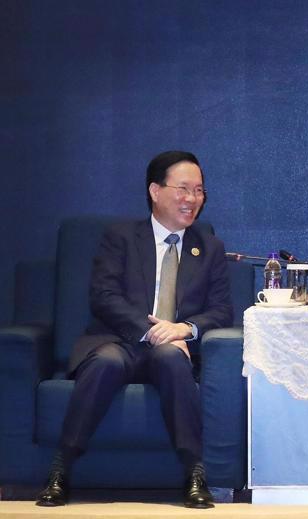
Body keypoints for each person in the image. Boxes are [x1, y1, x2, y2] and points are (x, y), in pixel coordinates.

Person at [36, 151, 233, 508]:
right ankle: (60, 470)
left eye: (200, 191)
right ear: (155, 191)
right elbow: (103, 296)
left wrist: (183, 329)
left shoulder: (210, 247)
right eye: (183, 189)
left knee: (173, 361)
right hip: (120, 339)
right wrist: (149, 329)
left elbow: (221, 311)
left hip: (173, 347)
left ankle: (194, 474)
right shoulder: (122, 237)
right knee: (106, 363)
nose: (192, 199)